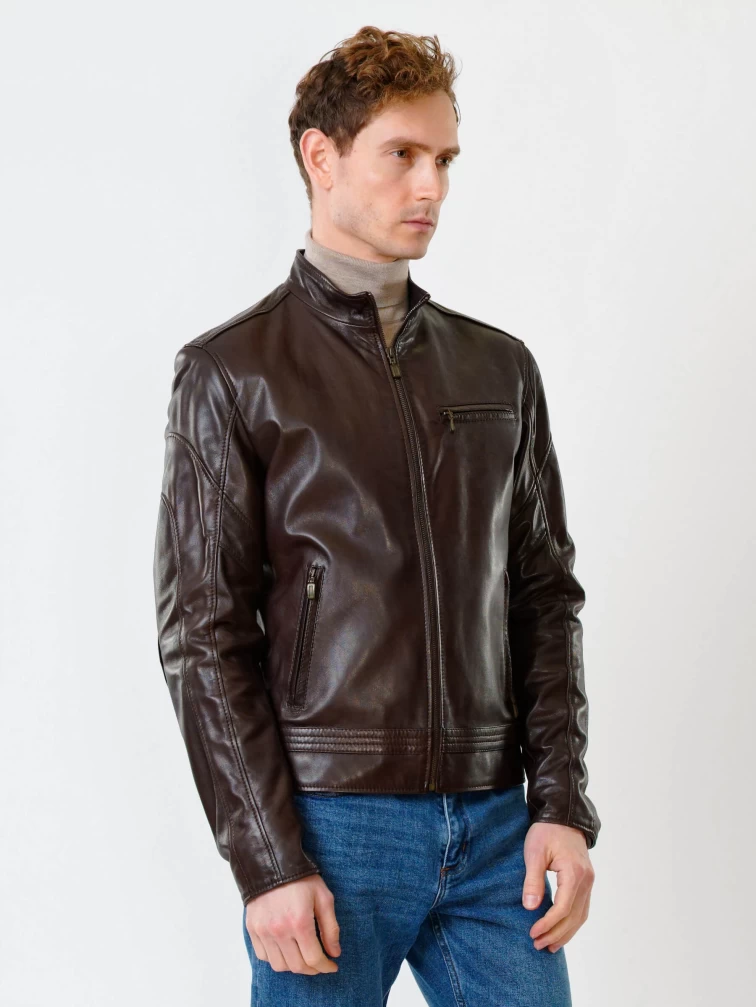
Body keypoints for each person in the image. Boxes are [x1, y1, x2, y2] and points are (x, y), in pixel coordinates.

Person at [153, 24, 600, 1006]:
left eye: (444, 159)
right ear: (321, 156)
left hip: (498, 827)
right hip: (331, 826)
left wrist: (562, 803)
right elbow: (204, 634)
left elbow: (543, 596)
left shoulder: (498, 367)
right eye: (402, 154)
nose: (431, 184)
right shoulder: (234, 371)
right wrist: (268, 858)